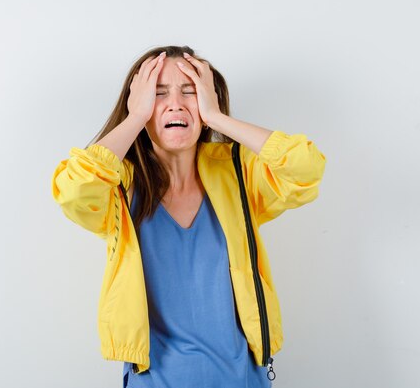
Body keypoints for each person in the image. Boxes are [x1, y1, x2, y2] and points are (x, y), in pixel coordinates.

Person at [51, 45, 326, 388]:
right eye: (157, 93)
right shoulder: (119, 187)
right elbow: (74, 188)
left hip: (243, 380)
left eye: (190, 91)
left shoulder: (239, 173)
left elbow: (306, 168)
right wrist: (135, 118)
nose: (176, 103)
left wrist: (218, 118)